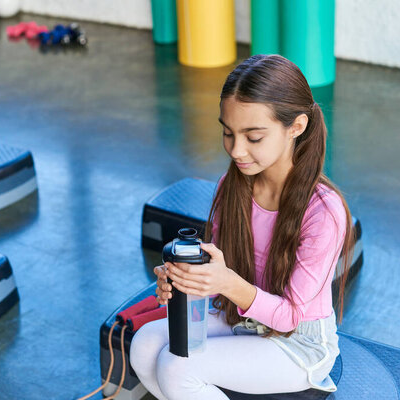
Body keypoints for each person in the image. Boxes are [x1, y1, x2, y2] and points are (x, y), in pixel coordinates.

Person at [130, 54, 355, 400]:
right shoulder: (231, 186)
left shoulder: (324, 212)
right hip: (241, 318)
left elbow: (290, 316)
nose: (236, 150)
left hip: (298, 343)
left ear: (296, 127)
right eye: (228, 133)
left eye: (254, 137)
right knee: (144, 346)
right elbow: (225, 277)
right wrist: (186, 283)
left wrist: (228, 283)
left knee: (178, 368)